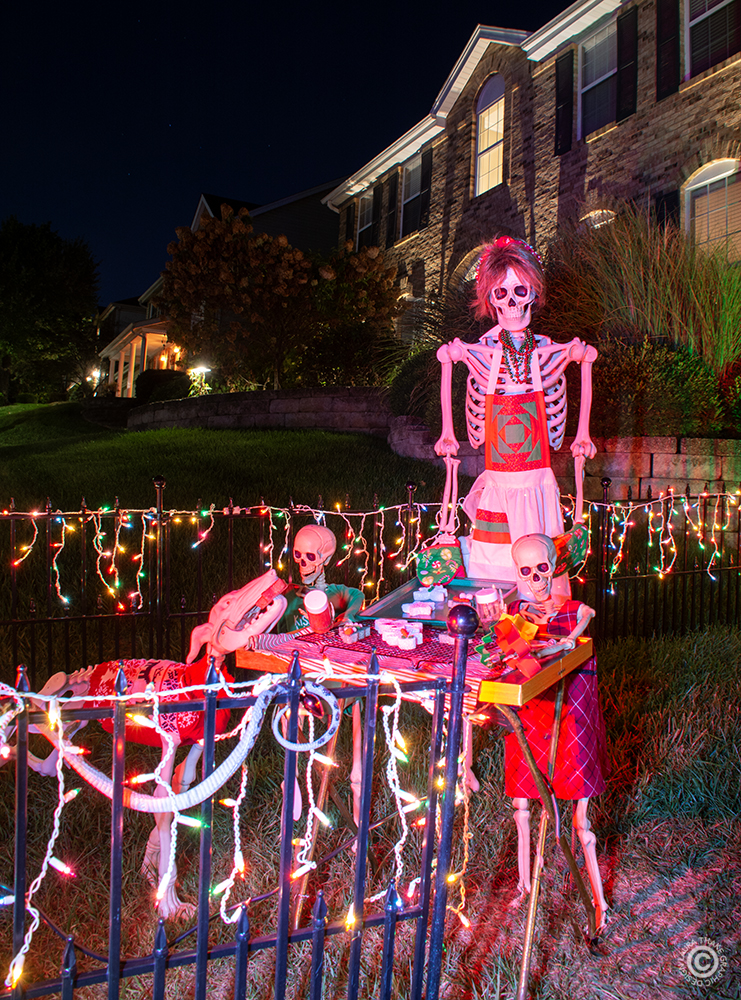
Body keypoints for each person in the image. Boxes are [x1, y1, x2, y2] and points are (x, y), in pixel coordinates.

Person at [434, 236, 597, 591]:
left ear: (533, 293)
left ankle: (544, 614)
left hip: (537, 479)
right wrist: (448, 433)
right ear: (491, 300)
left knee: (543, 558)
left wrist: (582, 434)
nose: (511, 303)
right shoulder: (482, 351)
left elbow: (584, 358)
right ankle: (496, 617)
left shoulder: (547, 350)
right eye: (501, 293)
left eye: (519, 291)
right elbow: (448, 358)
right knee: (495, 569)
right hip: (499, 480)